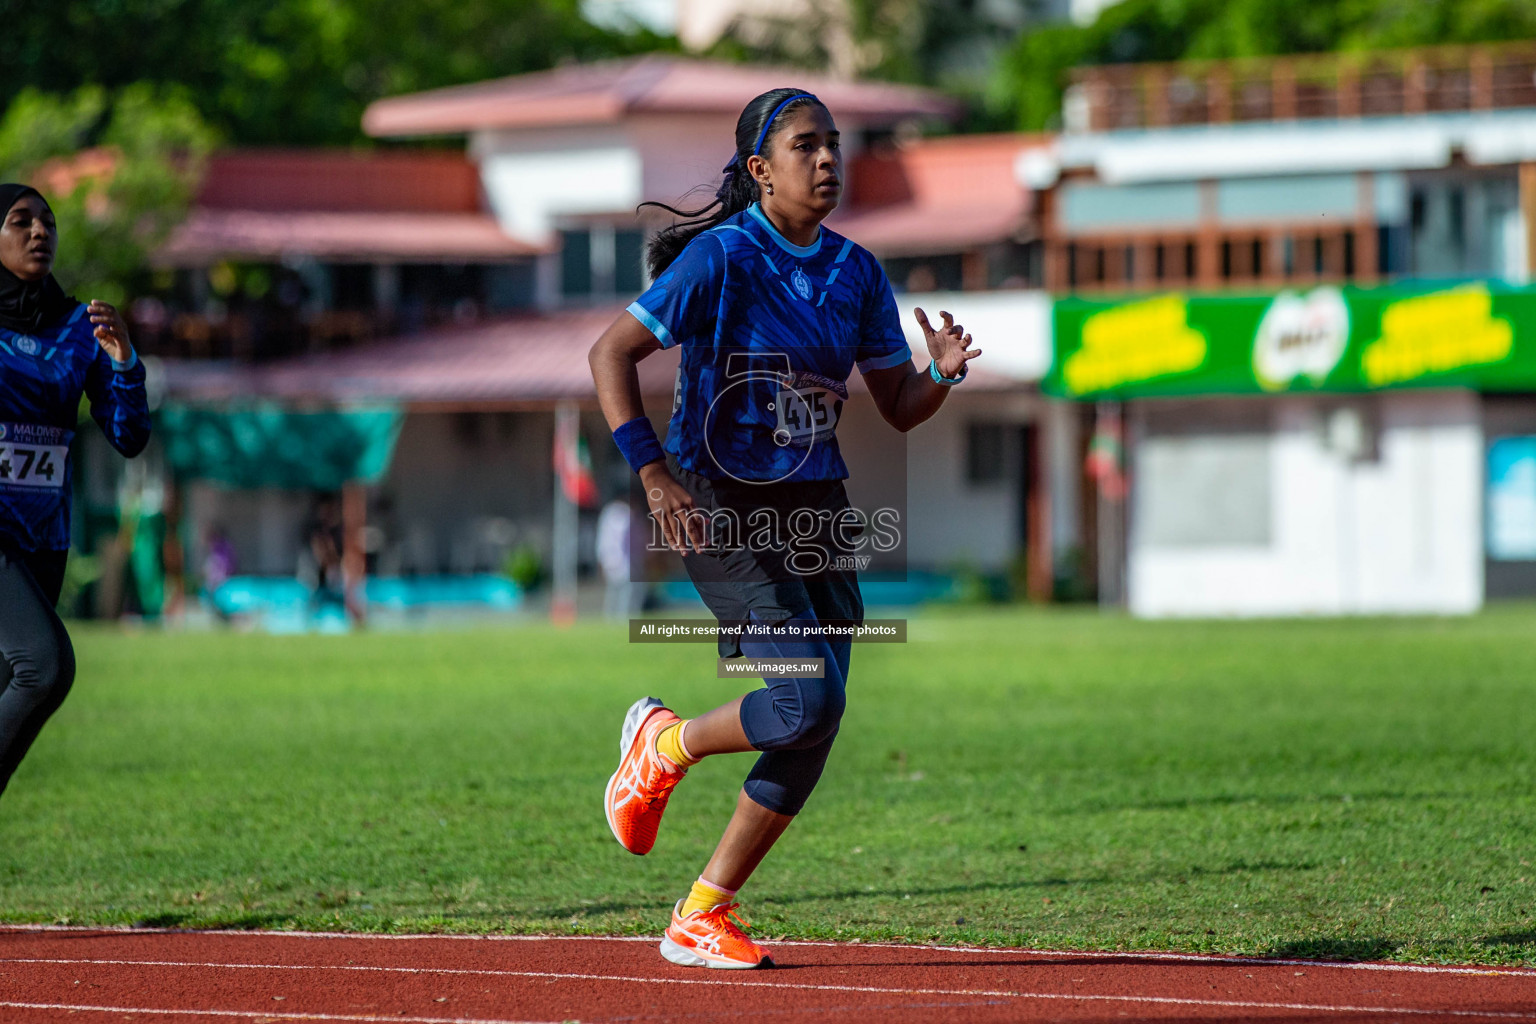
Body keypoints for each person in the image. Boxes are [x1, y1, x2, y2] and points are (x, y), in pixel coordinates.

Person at [588, 89, 981, 969]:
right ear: (760, 171)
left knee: (814, 720)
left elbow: (899, 407)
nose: (829, 160)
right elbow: (609, 353)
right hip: (717, 504)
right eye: (807, 146)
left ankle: (701, 912)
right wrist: (653, 474)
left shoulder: (858, 272)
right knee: (807, 699)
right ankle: (662, 743)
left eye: (836, 145)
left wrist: (940, 374)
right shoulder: (722, 259)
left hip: (817, 511)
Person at [0, 183, 151, 799]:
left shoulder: (77, 328)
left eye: (49, 222)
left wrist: (123, 362)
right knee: (44, 668)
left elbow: (128, 436)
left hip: (45, 540)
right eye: (20, 220)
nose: (40, 232)